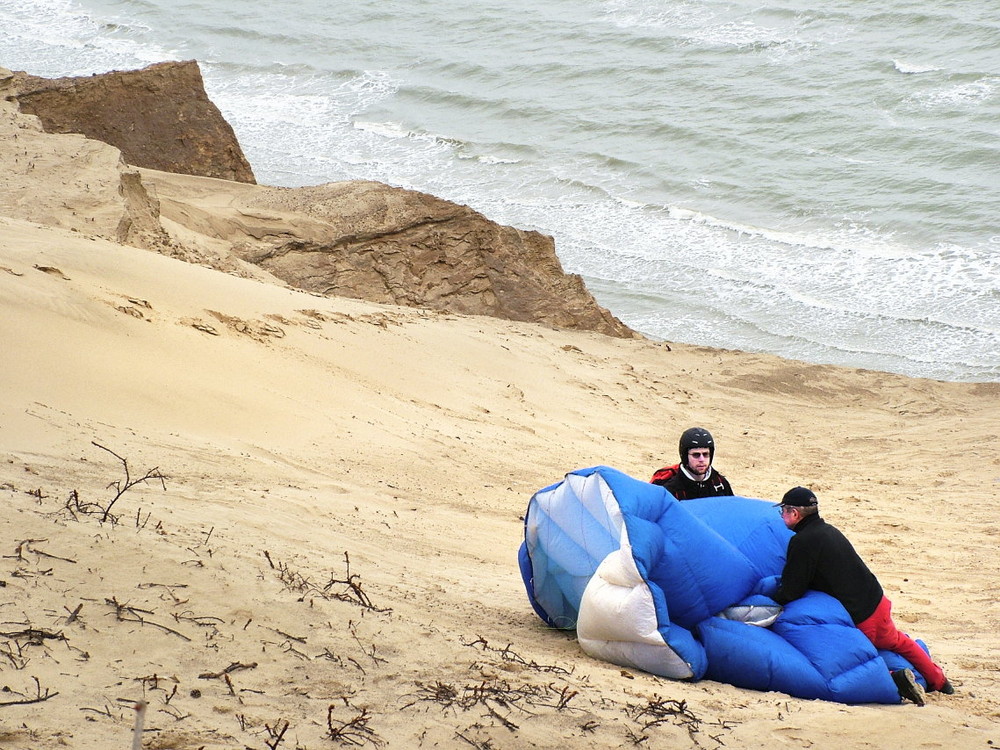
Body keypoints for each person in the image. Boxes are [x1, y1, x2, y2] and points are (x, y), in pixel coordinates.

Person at [772, 486, 954, 705]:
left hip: (859, 619)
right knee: (899, 642)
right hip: (877, 602)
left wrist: (771, 601)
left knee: (854, 661)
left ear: (794, 513)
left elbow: (792, 589)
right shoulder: (829, 531)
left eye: (783, 511)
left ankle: (895, 680)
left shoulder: (802, 542)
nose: (782, 516)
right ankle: (940, 681)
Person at [650, 427, 734, 500]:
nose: (702, 460)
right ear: (685, 456)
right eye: (696, 455)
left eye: (705, 454)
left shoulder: (720, 484)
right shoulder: (668, 488)